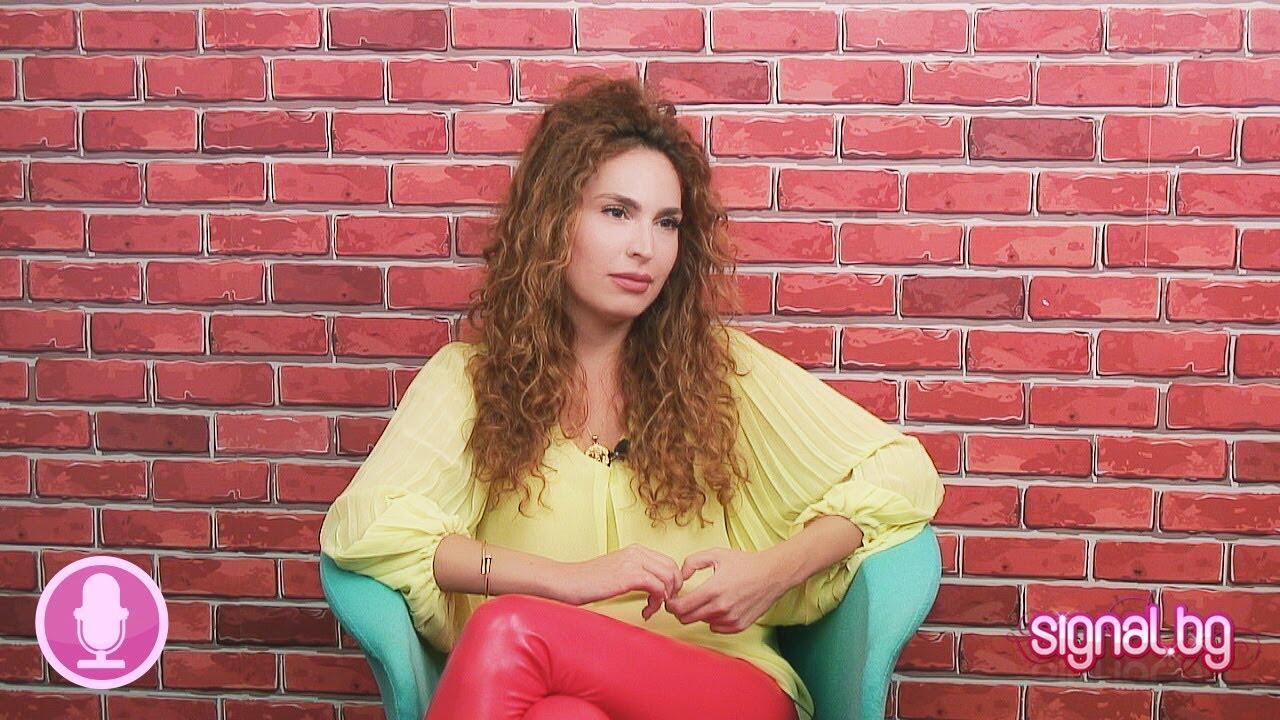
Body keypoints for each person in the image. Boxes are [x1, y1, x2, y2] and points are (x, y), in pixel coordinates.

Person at [318, 75, 945, 720]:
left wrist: (774, 572)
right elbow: (367, 530)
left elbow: (900, 472)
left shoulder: (722, 371)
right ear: (553, 221)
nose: (645, 247)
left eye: (666, 222)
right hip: (551, 692)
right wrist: (565, 580)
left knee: (509, 629)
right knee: (562, 716)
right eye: (617, 212)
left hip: (725, 690)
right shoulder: (470, 381)